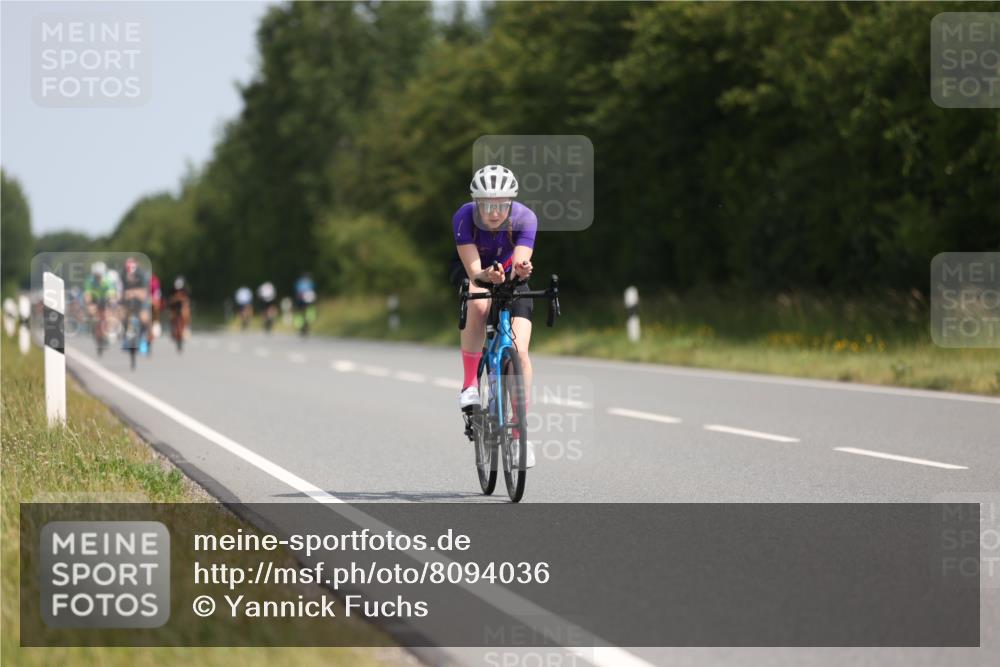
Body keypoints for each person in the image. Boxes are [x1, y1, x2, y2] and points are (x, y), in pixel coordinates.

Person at [450, 164, 537, 467]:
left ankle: (519, 430)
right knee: (479, 303)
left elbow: (520, 265)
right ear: (477, 203)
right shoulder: (463, 218)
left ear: (510, 203)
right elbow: (475, 272)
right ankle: (470, 384)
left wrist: (520, 270)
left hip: (511, 278)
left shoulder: (526, 219)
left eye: (501, 205)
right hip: (477, 271)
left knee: (521, 353)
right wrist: (486, 274)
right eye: (487, 204)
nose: (495, 212)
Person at [83, 261, 117, 351]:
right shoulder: (89, 280)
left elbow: (112, 294)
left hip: (104, 299)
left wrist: (111, 301)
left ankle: (107, 331)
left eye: (99, 275)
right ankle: (93, 327)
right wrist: (89, 304)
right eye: (96, 275)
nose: (97, 277)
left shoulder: (108, 281)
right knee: (91, 311)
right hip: (94, 300)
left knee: (108, 316)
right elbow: (87, 294)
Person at [120, 257, 151, 353]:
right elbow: (120, 292)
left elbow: (144, 294)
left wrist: (132, 293)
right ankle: (125, 337)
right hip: (127, 301)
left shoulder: (142, 275)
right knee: (122, 316)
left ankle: (143, 338)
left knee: (144, 318)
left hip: (141, 302)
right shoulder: (122, 275)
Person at [167, 276, 191, 346]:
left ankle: (187, 328)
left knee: (186, 314)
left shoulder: (186, 290)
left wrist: (182, 301)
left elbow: (188, 300)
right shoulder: (172, 290)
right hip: (174, 306)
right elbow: (169, 300)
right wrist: (174, 300)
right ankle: (172, 330)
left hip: (183, 306)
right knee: (171, 316)